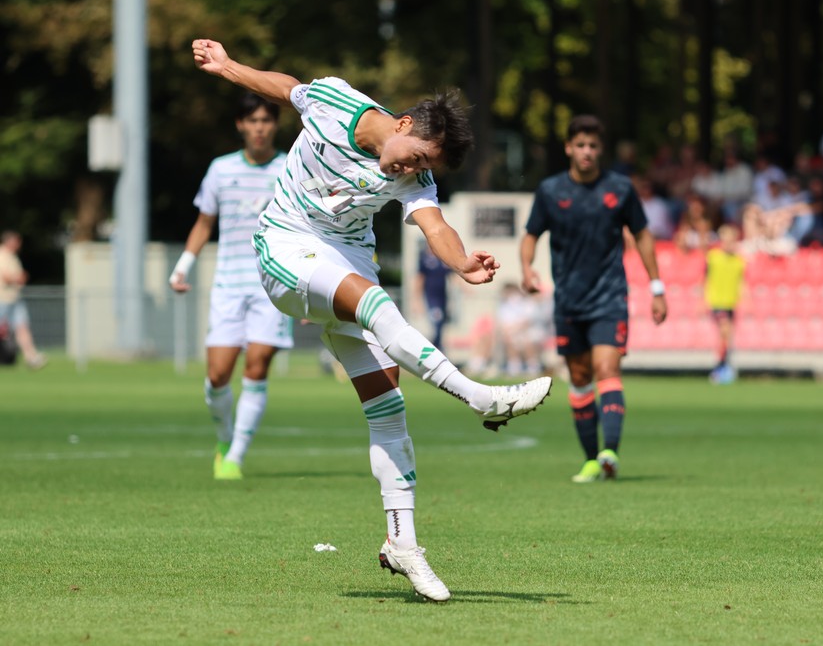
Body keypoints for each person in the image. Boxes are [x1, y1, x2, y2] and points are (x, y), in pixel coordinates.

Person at [191, 38, 552, 602]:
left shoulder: (416, 179)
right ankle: (479, 398)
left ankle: (402, 544)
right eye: (418, 154)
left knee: (388, 405)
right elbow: (285, 88)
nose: (414, 168)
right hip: (285, 243)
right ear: (404, 123)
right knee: (376, 305)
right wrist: (227, 66)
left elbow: (435, 226)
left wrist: (461, 262)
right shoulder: (337, 101)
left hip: (344, 258)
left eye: (427, 165)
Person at [520, 115, 667, 484]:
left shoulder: (620, 188)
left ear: (600, 150)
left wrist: (657, 287)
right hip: (569, 301)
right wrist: (526, 268)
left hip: (609, 298)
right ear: (569, 148)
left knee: (606, 369)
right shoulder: (551, 191)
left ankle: (610, 452)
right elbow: (531, 234)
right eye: (580, 145)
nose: (587, 151)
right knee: (580, 377)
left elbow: (644, 235)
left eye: (593, 146)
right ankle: (590, 460)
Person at [169, 93, 294, 481]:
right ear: (240, 125)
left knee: (257, 367)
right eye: (252, 120)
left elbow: (309, 225)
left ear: (275, 125)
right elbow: (204, 223)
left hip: (274, 284)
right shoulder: (220, 170)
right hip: (227, 285)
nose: (260, 127)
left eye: (266, 120)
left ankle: (235, 457)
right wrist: (183, 266)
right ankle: (225, 439)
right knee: (217, 376)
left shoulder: (291, 166)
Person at [704, 225, 745, 384]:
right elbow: (705, 278)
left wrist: (746, 298)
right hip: (717, 302)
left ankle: (723, 365)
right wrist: (703, 299)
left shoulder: (739, 261)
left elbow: (742, 281)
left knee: (726, 336)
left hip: (731, 303)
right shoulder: (713, 257)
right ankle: (720, 366)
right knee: (725, 331)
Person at [0, 231, 46, 369]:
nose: (19, 245)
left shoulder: (13, 257)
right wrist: (18, 278)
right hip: (3, 298)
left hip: (15, 298)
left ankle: (31, 357)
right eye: (16, 241)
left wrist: (20, 277)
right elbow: (7, 277)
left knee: (22, 327)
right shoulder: (2, 255)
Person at [413, 244, 451, 351]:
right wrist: (416, 301)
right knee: (436, 325)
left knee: (441, 325)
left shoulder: (442, 261)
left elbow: (452, 275)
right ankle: (433, 350)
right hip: (431, 299)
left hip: (443, 299)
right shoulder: (424, 260)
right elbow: (419, 280)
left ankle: (436, 349)